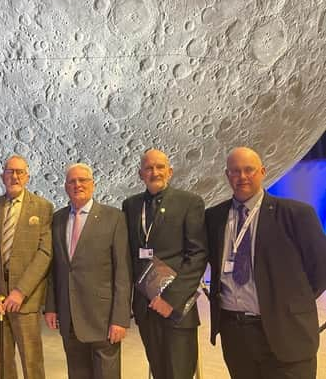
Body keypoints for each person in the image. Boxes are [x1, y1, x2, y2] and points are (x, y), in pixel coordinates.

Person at [206, 147, 326, 379]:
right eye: (235, 171)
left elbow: (321, 268)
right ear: (227, 175)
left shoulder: (295, 214)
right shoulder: (214, 218)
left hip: (286, 332)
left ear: (262, 171)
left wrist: (289, 303)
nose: (242, 177)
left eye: (249, 170)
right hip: (236, 335)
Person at [122, 149, 207, 379]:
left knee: (179, 373)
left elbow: (198, 255)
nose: (155, 172)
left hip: (176, 307)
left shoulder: (189, 202)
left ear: (170, 172)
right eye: (149, 168)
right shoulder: (130, 205)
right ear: (141, 174)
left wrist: (170, 298)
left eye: (160, 167)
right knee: (159, 371)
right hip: (145, 307)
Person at [44, 163, 132, 379]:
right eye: (72, 181)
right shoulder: (57, 219)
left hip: (103, 318)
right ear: (65, 187)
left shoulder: (114, 218)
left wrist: (120, 318)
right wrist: (51, 307)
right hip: (69, 316)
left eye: (83, 180)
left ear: (93, 184)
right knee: (76, 374)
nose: (77, 185)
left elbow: (123, 271)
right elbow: (54, 269)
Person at [0, 154, 53, 379]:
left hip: (25, 300)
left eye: (19, 172)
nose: (15, 176)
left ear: (27, 176)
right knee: (2, 361)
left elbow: (45, 253)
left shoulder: (43, 207)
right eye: (10, 172)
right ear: (2, 176)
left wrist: (20, 291)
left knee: (32, 361)